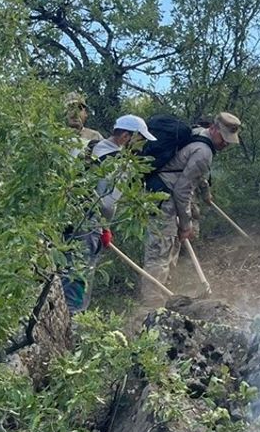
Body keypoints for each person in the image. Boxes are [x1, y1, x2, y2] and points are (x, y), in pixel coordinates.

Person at [62, 114, 157, 314]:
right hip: (88, 224)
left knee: (61, 267)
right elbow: (106, 203)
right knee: (80, 272)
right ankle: (72, 319)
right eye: (140, 139)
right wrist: (105, 227)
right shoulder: (121, 164)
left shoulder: (87, 145)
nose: (142, 146)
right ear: (125, 136)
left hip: (65, 216)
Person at [141, 112, 242, 301]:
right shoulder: (203, 152)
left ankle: (164, 295)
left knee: (169, 248)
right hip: (164, 198)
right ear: (213, 128)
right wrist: (186, 224)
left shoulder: (197, 133)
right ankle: (151, 304)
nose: (226, 144)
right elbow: (183, 190)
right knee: (160, 252)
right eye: (224, 138)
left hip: (163, 195)